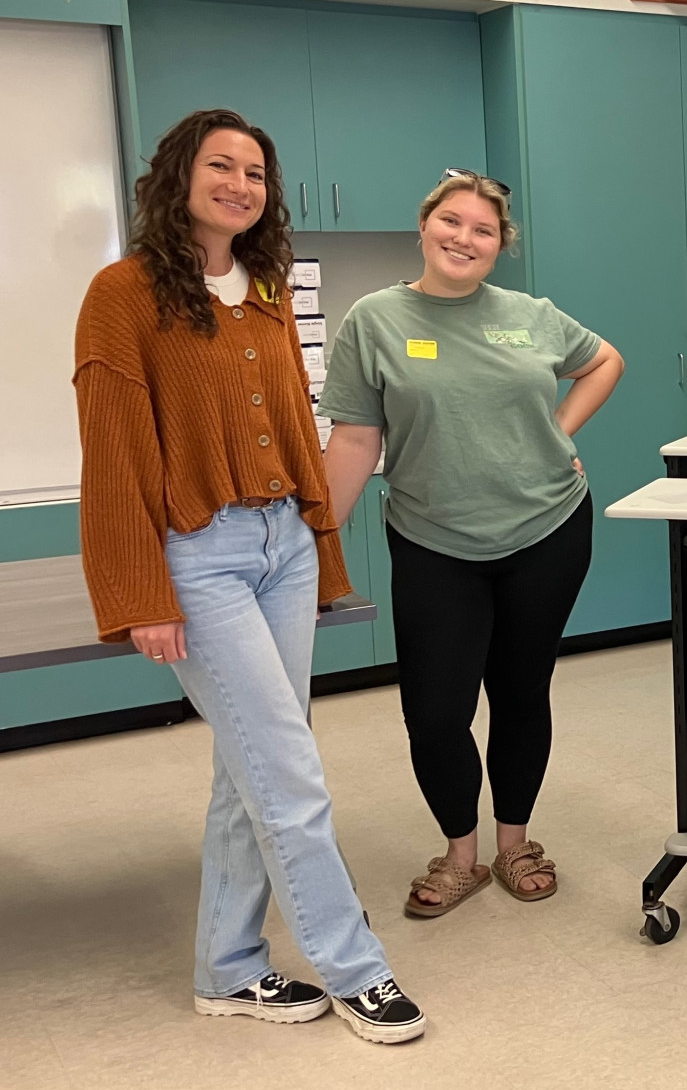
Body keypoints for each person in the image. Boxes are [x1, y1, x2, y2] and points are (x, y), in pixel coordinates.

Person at [73, 109, 424, 1043]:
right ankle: (357, 969)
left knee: (250, 771)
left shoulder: (266, 285)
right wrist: (139, 593)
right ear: (177, 176)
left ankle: (227, 971)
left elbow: (295, 430)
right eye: (221, 165)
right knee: (290, 770)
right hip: (200, 555)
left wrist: (318, 545)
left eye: (257, 173)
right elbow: (111, 452)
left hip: (282, 546)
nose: (240, 183)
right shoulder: (124, 291)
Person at [321, 172, 623, 918]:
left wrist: (557, 432)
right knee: (434, 710)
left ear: (500, 245)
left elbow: (604, 360)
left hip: (546, 527)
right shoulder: (375, 319)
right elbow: (357, 437)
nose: (465, 238)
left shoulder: (530, 315)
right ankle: (462, 857)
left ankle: (514, 843)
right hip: (434, 539)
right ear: (424, 228)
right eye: (451, 222)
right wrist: (315, 546)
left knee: (521, 694)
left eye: (483, 230)